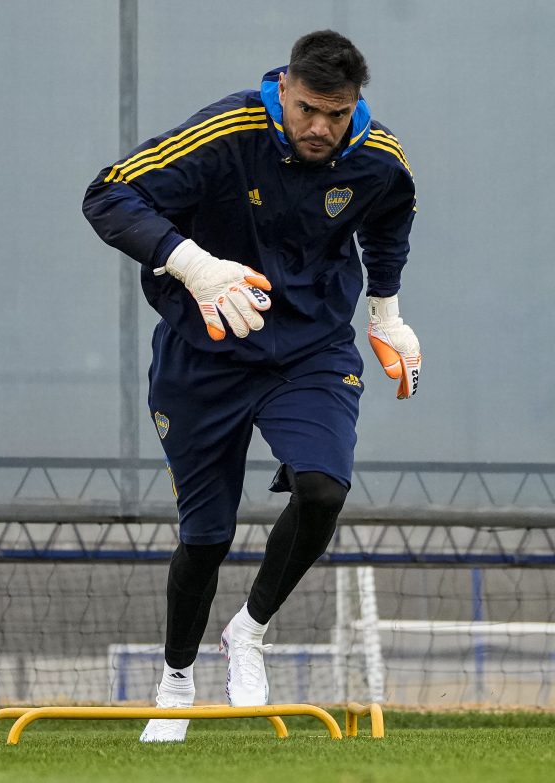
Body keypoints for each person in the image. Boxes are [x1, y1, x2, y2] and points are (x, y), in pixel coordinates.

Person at [82, 30, 421, 742]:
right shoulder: (226, 133)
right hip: (202, 355)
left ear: (356, 104)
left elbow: (389, 223)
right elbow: (109, 195)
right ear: (284, 90)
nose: (320, 128)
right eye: (307, 110)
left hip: (310, 350)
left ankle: (250, 630)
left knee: (324, 488)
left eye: (336, 113)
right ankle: (175, 682)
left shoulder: (379, 157)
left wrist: (387, 315)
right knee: (206, 539)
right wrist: (195, 265)